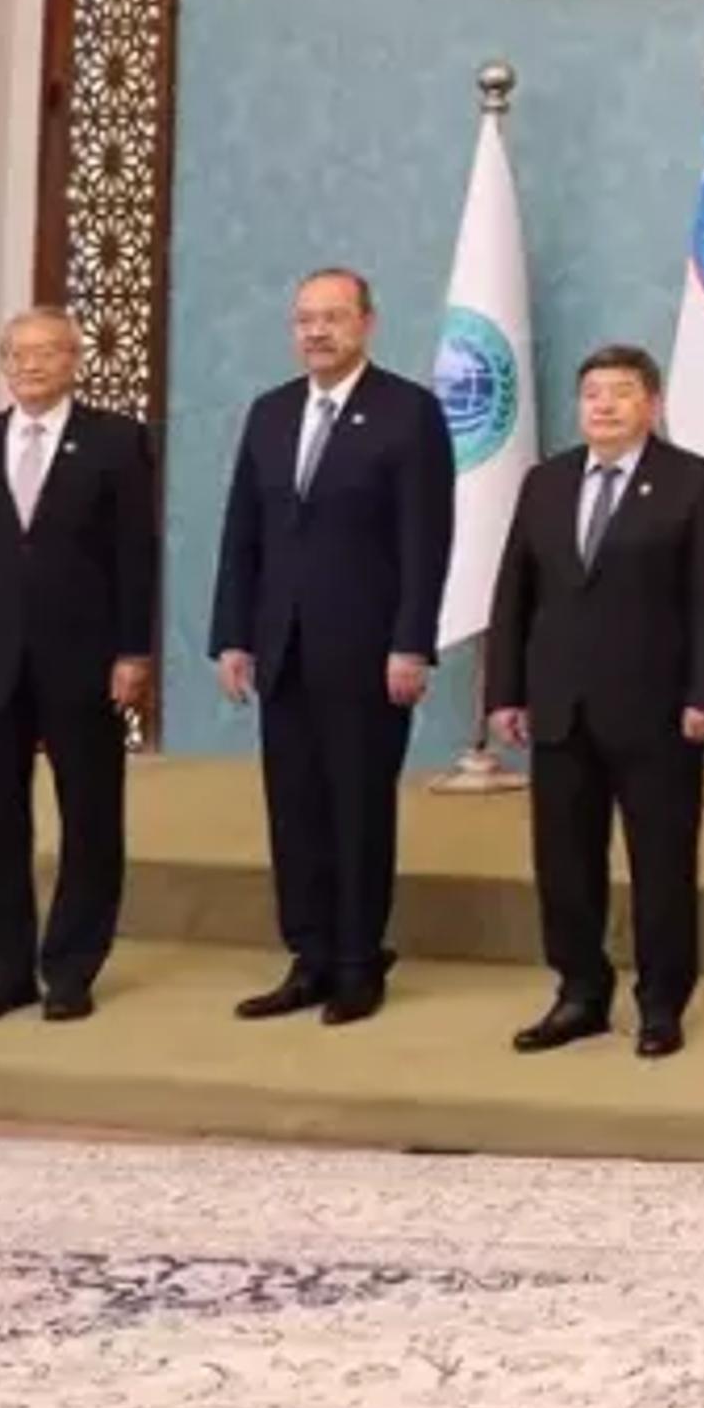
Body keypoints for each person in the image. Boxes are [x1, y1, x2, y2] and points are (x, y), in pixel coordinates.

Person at [486, 343, 704, 1059]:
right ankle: (579, 994)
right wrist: (504, 689)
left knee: (662, 865)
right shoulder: (545, 482)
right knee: (564, 862)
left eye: (621, 392)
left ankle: (662, 1004)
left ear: (652, 404)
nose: (603, 404)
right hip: (559, 708)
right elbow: (514, 592)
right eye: (592, 392)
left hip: (660, 712)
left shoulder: (695, 485)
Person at [209, 267, 452, 1026]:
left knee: (357, 806)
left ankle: (357, 961)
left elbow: (426, 541)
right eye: (305, 319)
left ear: (367, 324)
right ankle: (308, 957)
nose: (317, 331)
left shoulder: (407, 413)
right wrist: (233, 637)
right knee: (294, 810)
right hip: (280, 648)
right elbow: (241, 535)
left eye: (333, 318)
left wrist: (412, 642)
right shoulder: (271, 413)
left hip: (370, 651)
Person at [0, 306, 155, 1025]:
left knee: (89, 813)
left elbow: (135, 556)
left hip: (85, 659)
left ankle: (70, 969)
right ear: (3, 363)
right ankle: (2, 974)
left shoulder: (117, 442)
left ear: (74, 360)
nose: (31, 365)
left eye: (47, 353)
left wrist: (133, 650)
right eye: (17, 354)